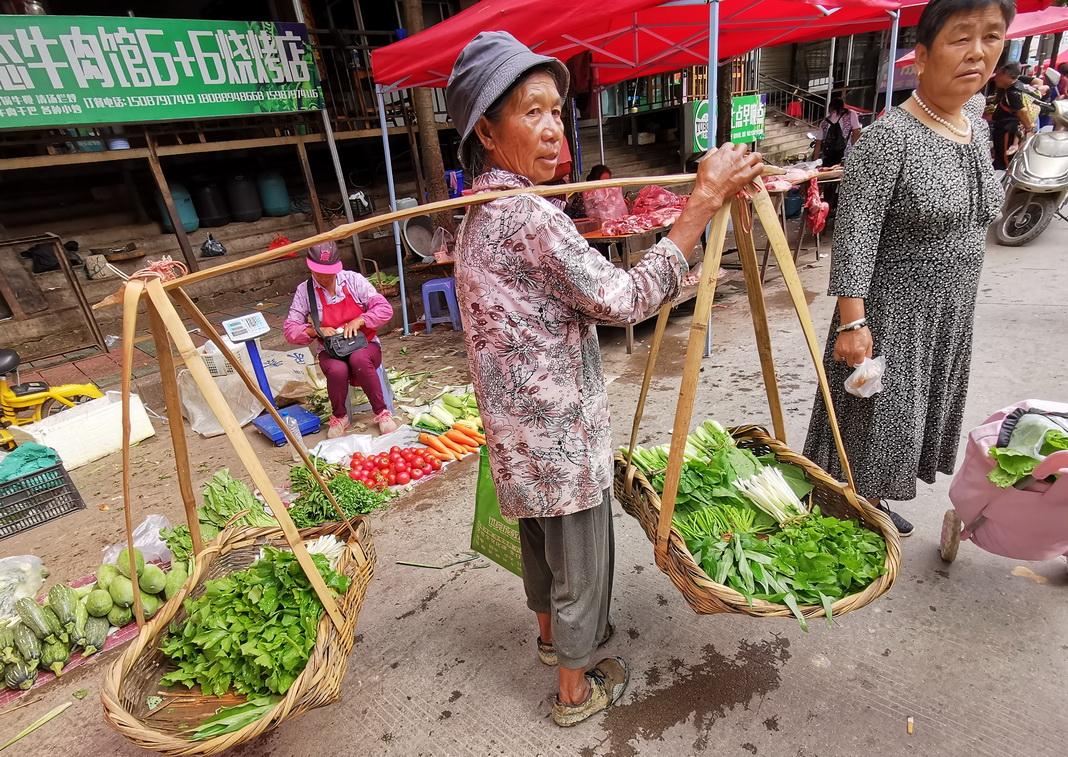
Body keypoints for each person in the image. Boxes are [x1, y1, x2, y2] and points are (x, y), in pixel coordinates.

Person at [445, 31, 762, 727]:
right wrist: (700, 208)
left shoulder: (476, 215)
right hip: (558, 435)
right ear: (488, 133)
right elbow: (624, 299)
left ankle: (549, 640)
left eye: (556, 110)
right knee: (581, 565)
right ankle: (573, 690)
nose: (553, 127)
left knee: (540, 546)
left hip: (517, 437)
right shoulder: (528, 217)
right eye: (531, 112)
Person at [803, 0, 1011, 537]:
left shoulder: (978, 130)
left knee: (906, 420)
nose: (979, 52)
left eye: (992, 37)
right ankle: (843, 504)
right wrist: (853, 322)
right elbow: (856, 234)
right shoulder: (887, 137)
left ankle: (868, 498)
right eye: (961, 38)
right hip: (892, 314)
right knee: (873, 417)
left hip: (949, 312)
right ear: (920, 57)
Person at [283, 242, 397, 438]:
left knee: (359, 360)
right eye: (320, 273)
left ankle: (381, 412)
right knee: (337, 369)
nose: (326, 278)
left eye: (330, 272)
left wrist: (361, 320)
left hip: (364, 344)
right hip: (331, 350)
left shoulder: (353, 280)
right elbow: (290, 330)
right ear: (310, 267)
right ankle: (340, 416)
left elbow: (384, 309)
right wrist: (315, 330)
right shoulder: (305, 291)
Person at [990, 61, 1033, 169]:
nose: (995, 78)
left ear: (1007, 76)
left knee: (1004, 159)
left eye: (998, 75)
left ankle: (1002, 179)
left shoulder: (1013, 93)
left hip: (1008, 130)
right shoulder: (1019, 86)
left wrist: (1029, 128)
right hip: (1007, 129)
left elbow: (1022, 111)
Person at [812, 97, 862, 167]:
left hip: (828, 158)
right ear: (842, 106)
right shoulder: (851, 114)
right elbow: (856, 134)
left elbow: (818, 143)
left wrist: (814, 163)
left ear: (830, 108)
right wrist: (858, 153)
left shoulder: (824, 122)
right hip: (845, 156)